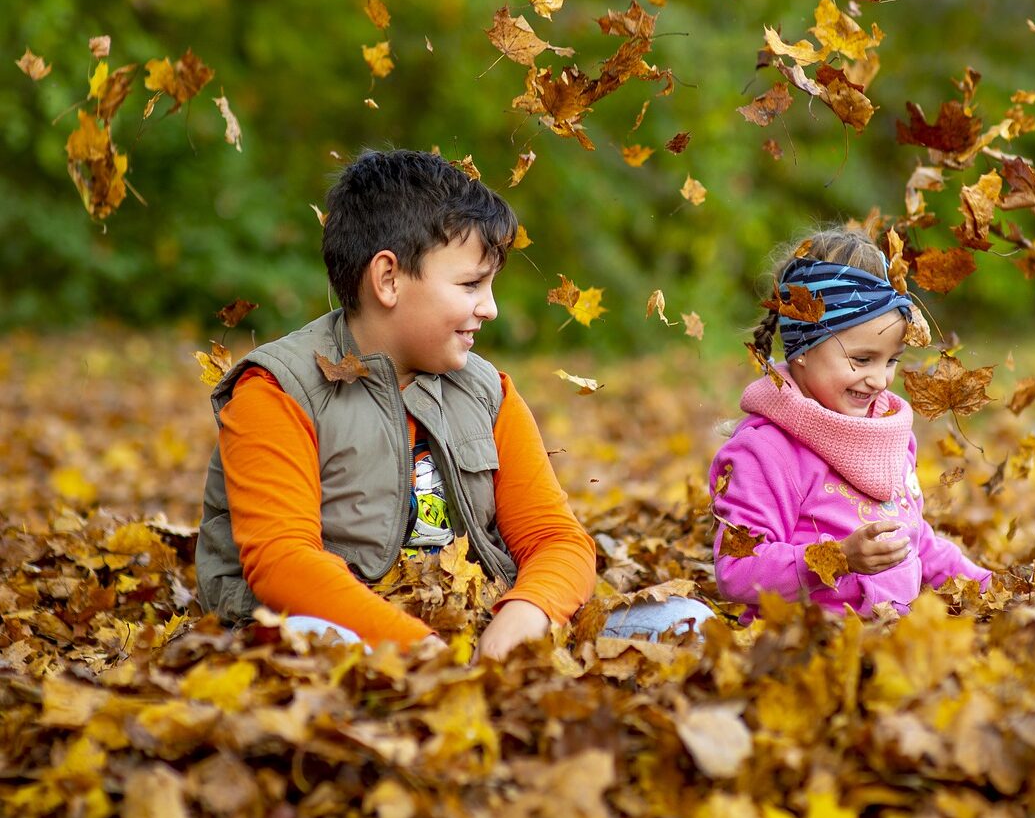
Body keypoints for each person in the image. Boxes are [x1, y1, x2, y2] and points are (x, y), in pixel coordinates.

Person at [196, 148, 710, 658]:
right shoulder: (278, 391)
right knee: (311, 639)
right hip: (357, 640)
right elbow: (284, 563)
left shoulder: (486, 392)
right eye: (471, 285)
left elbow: (556, 538)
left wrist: (528, 612)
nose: (490, 308)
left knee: (687, 620)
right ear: (388, 279)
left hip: (482, 628)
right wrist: (421, 649)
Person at [709, 224, 992, 621]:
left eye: (890, 360)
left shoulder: (887, 433)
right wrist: (837, 559)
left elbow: (914, 539)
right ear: (802, 348)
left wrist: (988, 587)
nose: (880, 380)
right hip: (807, 648)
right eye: (862, 360)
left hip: (893, 643)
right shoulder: (767, 450)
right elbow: (737, 572)